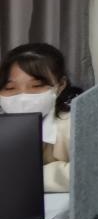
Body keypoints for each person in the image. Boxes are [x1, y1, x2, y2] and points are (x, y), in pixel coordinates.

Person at [0, 43, 79, 192]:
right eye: (10, 88)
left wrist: (27, 177)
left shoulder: (73, 126)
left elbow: (90, 171)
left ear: (60, 85)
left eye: (36, 86)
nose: (22, 97)